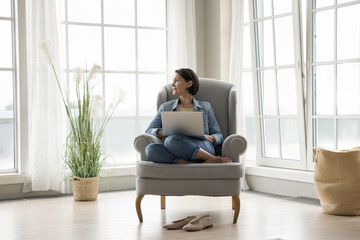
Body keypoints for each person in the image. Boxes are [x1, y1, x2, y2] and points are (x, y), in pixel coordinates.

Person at [145, 68, 232, 164]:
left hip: (202, 145)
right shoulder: (165, 107)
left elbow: (219, 135)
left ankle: (210, 157)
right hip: (177, 146)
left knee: (170, 141)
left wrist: (206, 137)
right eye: (172, 81)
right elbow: (149, 130)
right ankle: (205, 161)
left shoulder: (205, 107)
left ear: (189, 84)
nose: (172, 85)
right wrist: (167, 131)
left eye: (176, 81)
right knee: (150, 149)